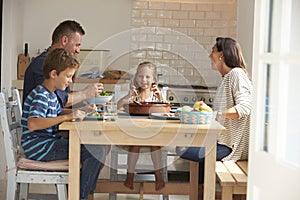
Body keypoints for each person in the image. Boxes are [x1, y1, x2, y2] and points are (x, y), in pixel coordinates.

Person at [21, 48, 109, 200]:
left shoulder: (51, 94)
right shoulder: (42, 94)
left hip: (46, 144)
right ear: (54, 74)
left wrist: (81, 110)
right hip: (40, 147)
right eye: (68, 76)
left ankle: (78, 192)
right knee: (97, 151)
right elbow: (33, 123)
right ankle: (80, 196)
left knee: (98, 148)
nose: (70, 81)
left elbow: (55, 113)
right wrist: (67, 118)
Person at [176, 37, 252, 200]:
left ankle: (203, 194)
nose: (210, 55)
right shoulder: (228, 77)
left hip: (231, 148)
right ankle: (200, 195)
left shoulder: (236, 74)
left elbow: (244, 108)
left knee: (182, 149)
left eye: (213, 51)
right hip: (221, 142)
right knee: (189, 150)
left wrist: (215, 114)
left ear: (221, 56)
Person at [23, 20, 102, 108]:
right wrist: (85, 94)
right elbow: (59, 100)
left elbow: (59, 104)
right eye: (77, 45)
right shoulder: (43, 64)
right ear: (64, 40)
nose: (78, 51)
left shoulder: (57, 62)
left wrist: (87, 103)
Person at [118, 61, 166, 191]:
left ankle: (158, 175)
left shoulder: (157, 94)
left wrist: (161, 98)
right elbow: (118, 106)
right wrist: (128, 96)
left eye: (147, 77)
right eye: (140, 76)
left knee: (155, 144)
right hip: (135, 131)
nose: (143, 80)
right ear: (136, 78)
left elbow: (166, 110)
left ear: (154, 79)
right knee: (135, 143)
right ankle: (130, 175)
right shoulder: (134, 94)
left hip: (153, 131)